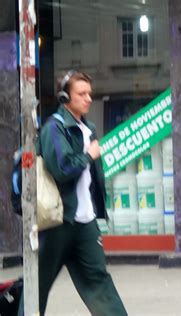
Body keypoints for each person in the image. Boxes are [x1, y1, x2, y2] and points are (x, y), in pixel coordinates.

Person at [36, 70, 127, 315]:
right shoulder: (54, 129)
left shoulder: (90, 128)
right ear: (65, 97)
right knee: (37, 287)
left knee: (100, 282)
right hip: (58, 223)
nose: (88, 98)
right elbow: (62, 168)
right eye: (81, 93)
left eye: (89, 93)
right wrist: (89, 155)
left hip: (85, 223)